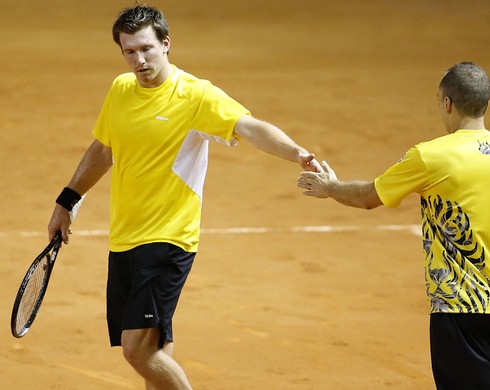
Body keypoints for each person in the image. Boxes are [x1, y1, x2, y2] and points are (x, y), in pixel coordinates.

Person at [47, 5, 322, 390]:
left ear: (166, 43)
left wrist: (297, 153)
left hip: (168, 239)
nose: (139, 60)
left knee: (136, 351)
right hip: (125, 237)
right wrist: (67, 200)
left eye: (146, 48)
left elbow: (250, 127)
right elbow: (104, 149)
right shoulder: (121, 89)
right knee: (155, 353)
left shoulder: (195, 95)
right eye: (129, 51)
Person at [297, 62, 490, 389]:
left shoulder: (429, 156)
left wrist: (330, 187)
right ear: (486, 104)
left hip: (459, 309)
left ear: (447, 103)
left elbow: (369, 196)